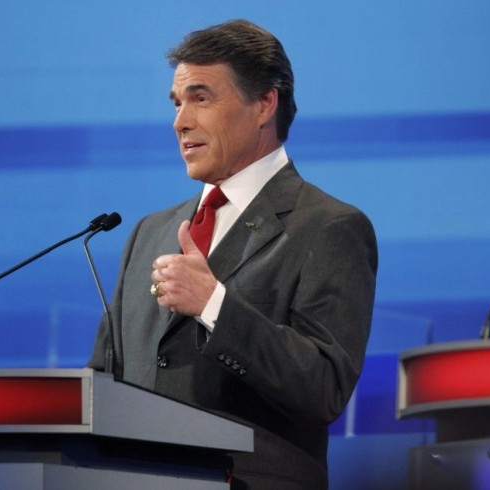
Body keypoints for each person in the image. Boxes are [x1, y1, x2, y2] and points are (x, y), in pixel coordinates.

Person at [89, 19, 377, 489]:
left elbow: (323, 388)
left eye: (201, 98)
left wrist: (214, 305)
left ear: (265, 103)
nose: (181, 121)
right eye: (178, 103)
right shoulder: (149, 232)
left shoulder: (329, 227)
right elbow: (102, 381)